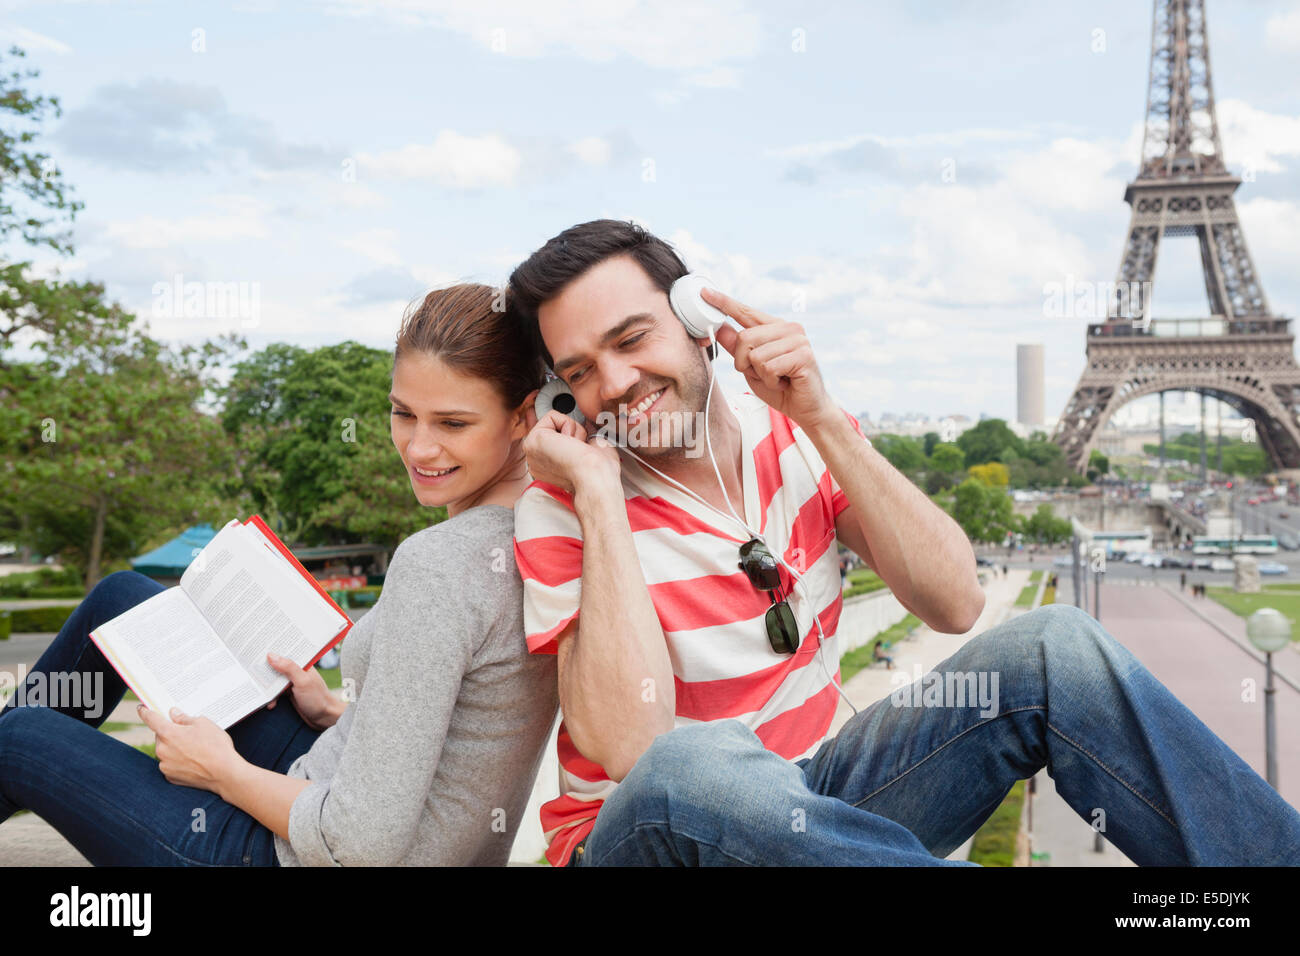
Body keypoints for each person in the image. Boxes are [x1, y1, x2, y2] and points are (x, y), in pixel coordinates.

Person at [509, 218, 1300, 867]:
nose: (612, 383)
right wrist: (601, 497)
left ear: (699, 325)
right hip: (650, 838)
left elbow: (957, 603)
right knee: (693, 766)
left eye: (631, 338)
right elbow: (632, 749)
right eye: (580, 370)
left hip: (813, 811)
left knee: (1055, 646)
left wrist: (822, 418)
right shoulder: (568, 500)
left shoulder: (790, 427)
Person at [0, 284, 559, 865]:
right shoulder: (543, 530)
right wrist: (342, 714)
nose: (418, 446)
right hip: (344, 783)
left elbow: (359, 845)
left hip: (287, 851)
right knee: (125, 599)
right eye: (403, 413)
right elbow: (466, 736)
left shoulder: (440, 563)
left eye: (452, 423)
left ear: (523, 415)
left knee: (18, 739)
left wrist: (220, 770)